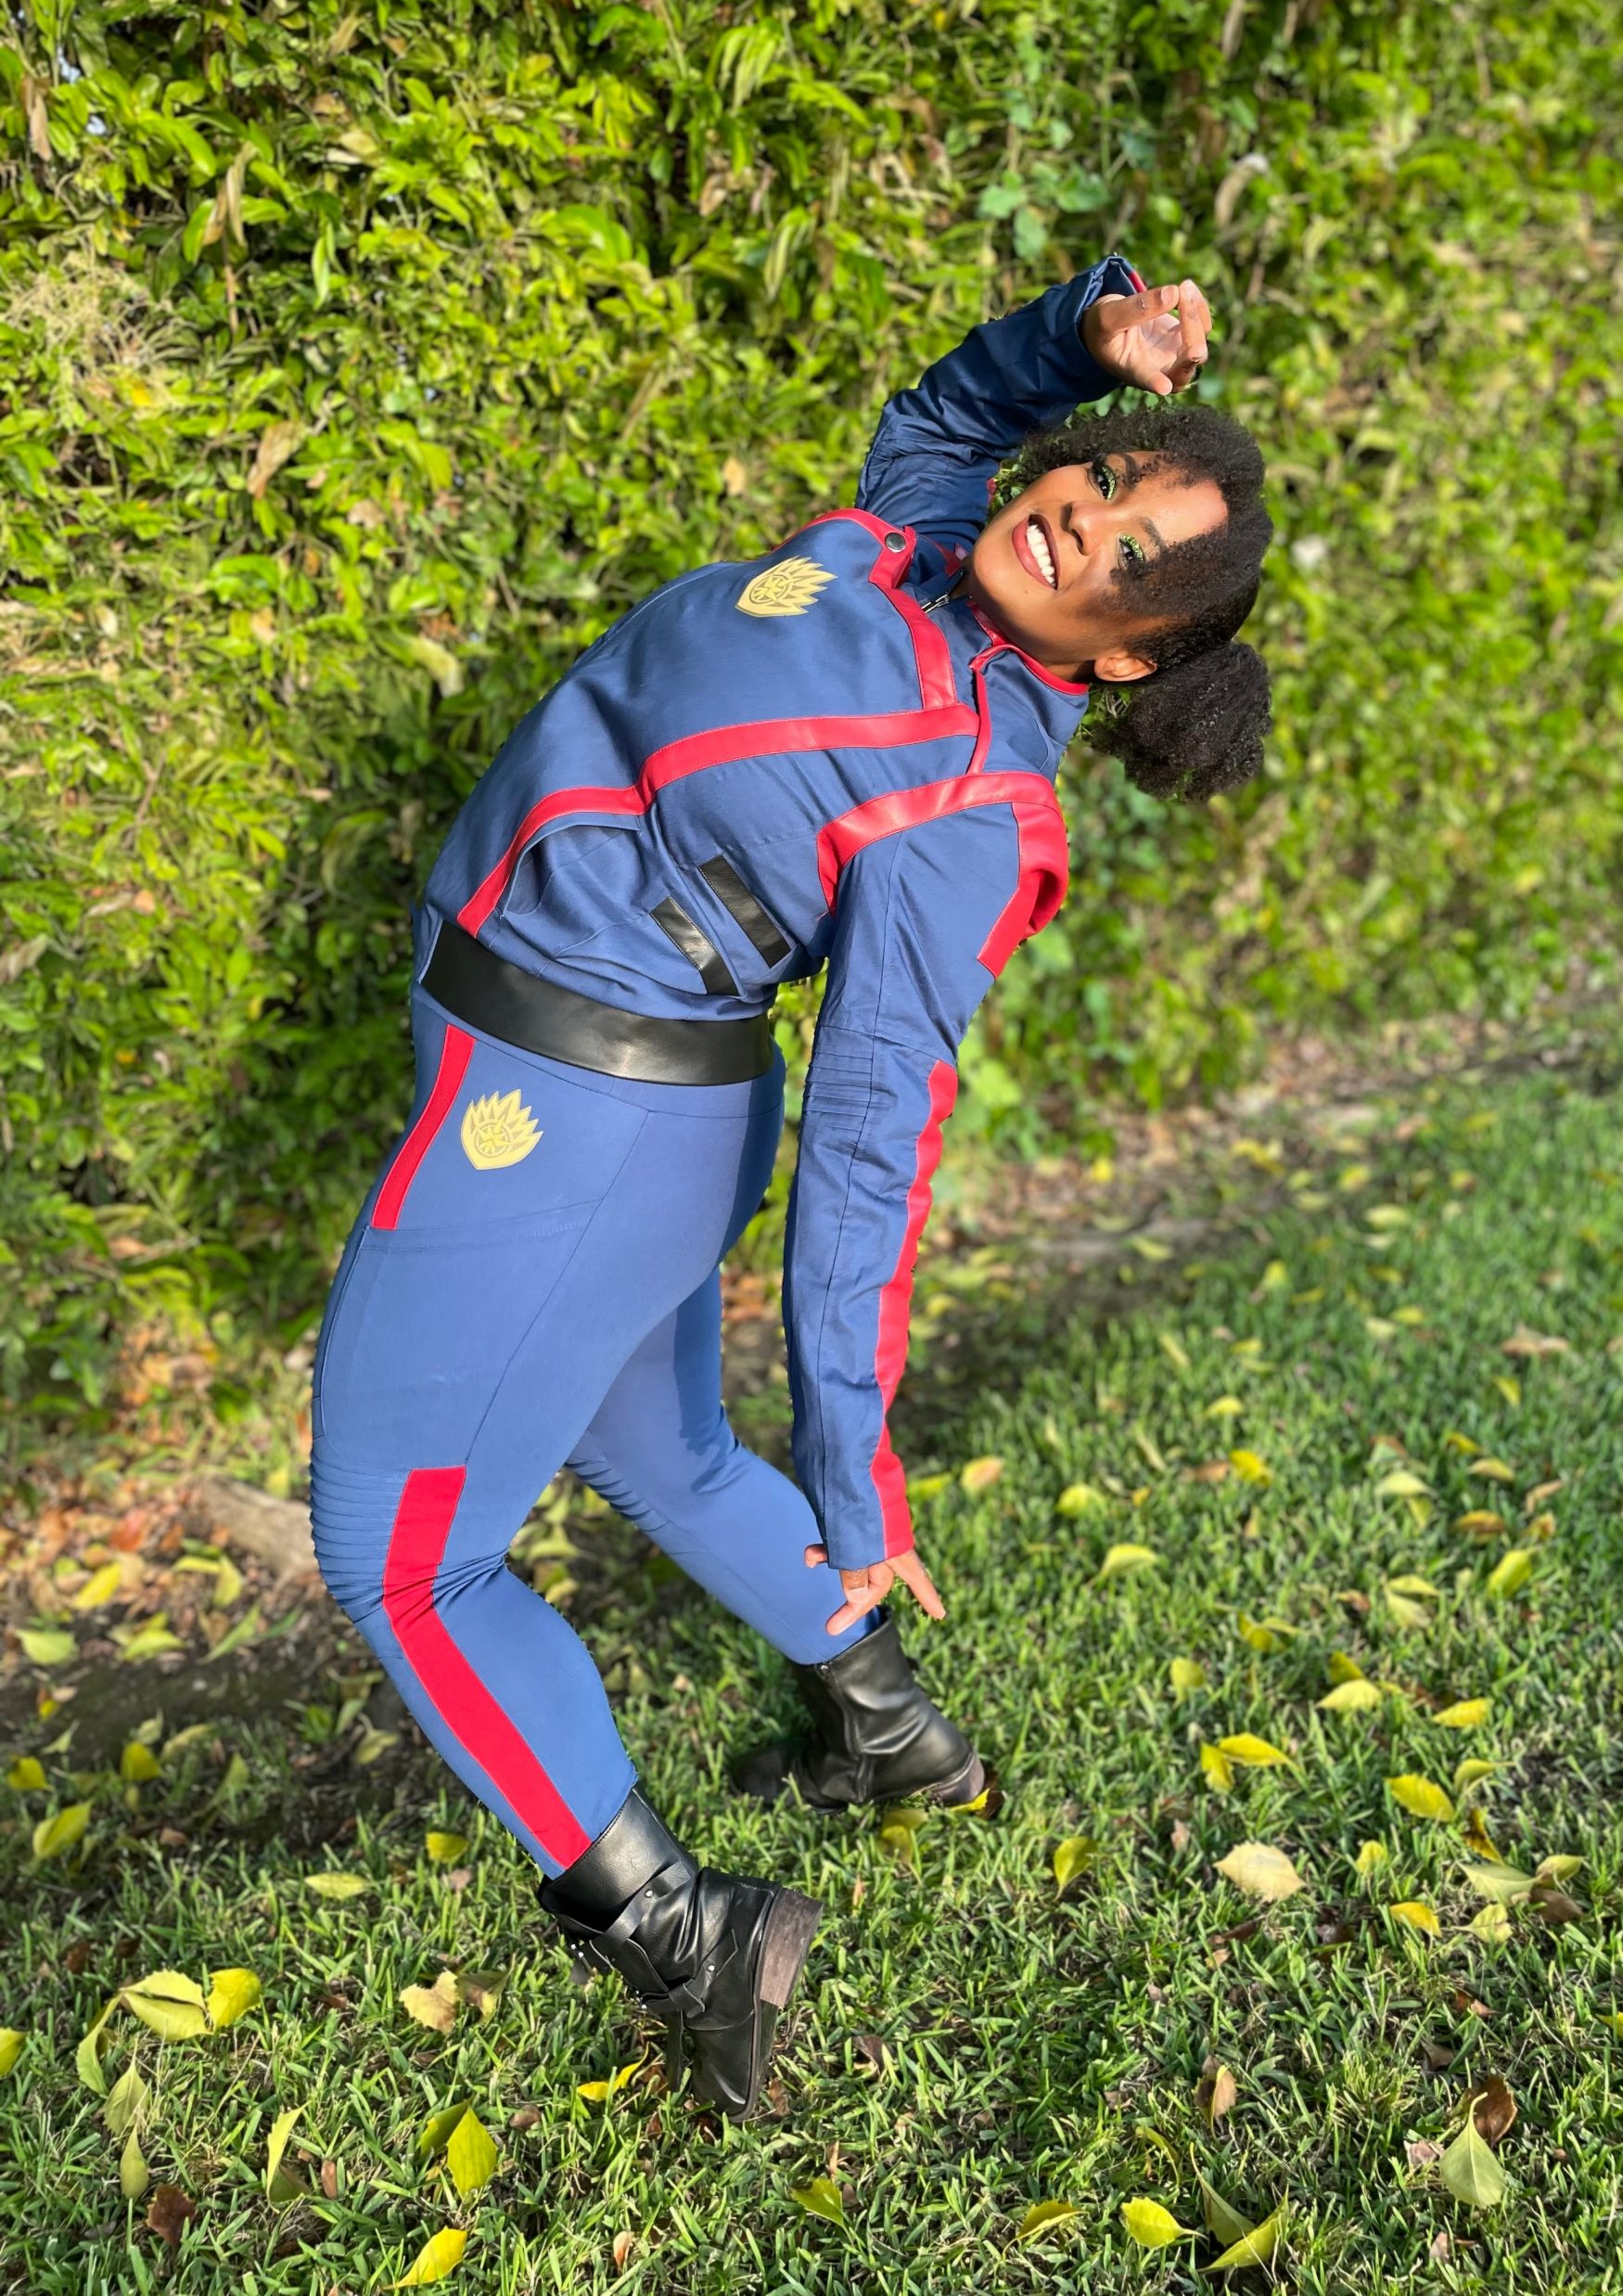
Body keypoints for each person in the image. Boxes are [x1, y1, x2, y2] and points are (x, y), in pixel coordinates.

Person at [306, 251, 1273, 2120]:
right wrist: (1083, 334)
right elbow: (946, 413)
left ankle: (691, 1935)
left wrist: (855, 1459)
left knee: (404, 1561)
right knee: (662, 1457)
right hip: (572, 1091)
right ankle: (894, 1731)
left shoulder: (978, 805)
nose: (1085, 526)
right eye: (1102, 480)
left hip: (575, 1129)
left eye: (1134, 556)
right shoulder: (914, 543)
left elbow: (875, 1134)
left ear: (1131, 657)